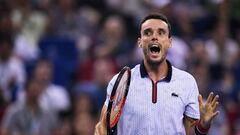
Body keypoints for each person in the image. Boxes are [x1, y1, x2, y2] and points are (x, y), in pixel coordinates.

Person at [94, 13, 219, 135]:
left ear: (170, 42)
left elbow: (190, 132)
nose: (154, 37)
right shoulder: (120, 81)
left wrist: (203, 125)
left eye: (161, 33)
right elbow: (102, 127)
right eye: (148, 33)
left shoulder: (187, 82)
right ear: (140, 42)